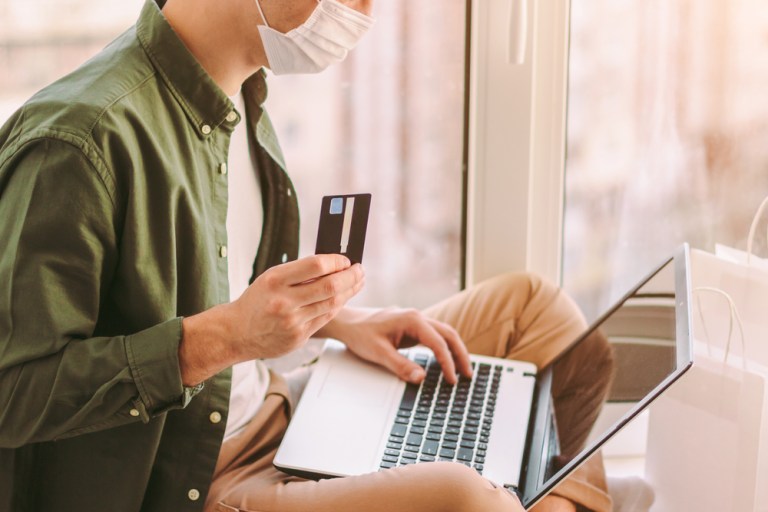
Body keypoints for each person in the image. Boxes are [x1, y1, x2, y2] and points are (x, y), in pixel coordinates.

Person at [0, 0, 614, 511]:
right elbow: (13, 395)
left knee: (539, 312)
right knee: (467, 500)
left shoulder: (240, 97)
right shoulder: (79, 142)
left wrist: (341, 323)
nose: (365, 12)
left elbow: (223, 283)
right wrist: (227, 339)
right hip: (198, 477)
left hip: (278, 405)